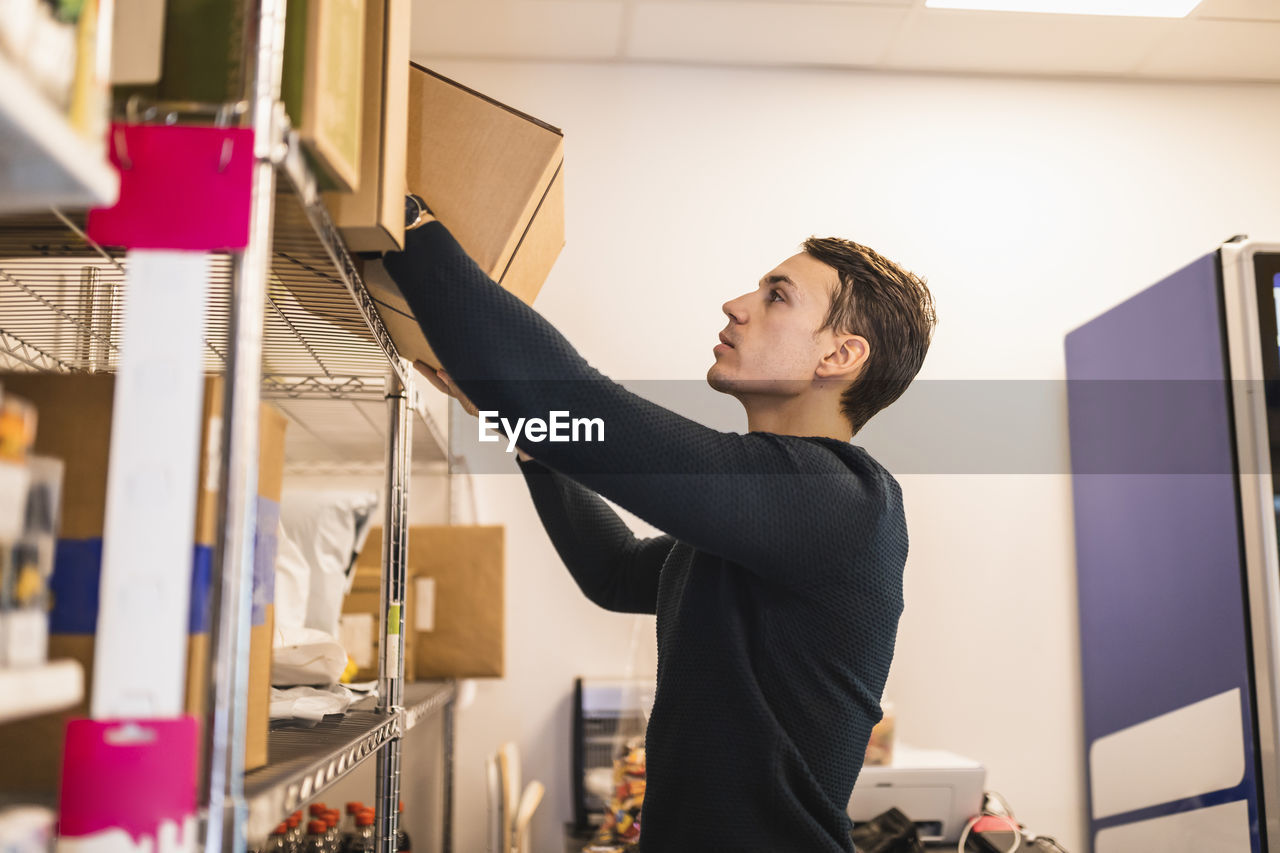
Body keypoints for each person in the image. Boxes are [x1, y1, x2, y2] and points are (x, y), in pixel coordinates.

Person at [380, 209, 936, 852]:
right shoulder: (766, 521)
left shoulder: (839, 498)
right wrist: (524, 433)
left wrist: (409, 222)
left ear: (839, 355)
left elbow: (575, 405)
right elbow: (615, 572)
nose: (735, 305)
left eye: (776, 296)